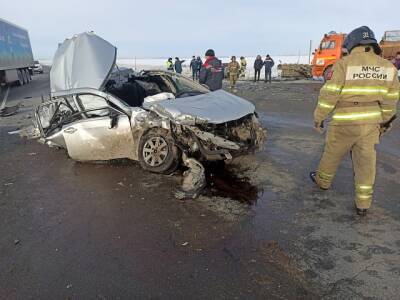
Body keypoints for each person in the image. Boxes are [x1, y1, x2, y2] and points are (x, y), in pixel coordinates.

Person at [310, 26, 399, 216]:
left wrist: (319, 118)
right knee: (366, 163)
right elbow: (391, 100)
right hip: (371, 124)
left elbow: (329, 95)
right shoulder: (389, 68)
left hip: (343, 122)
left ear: (352, 44)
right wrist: (384, 123)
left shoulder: (343, 64)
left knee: (332, 154)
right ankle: (363, 204)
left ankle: (323, 182)